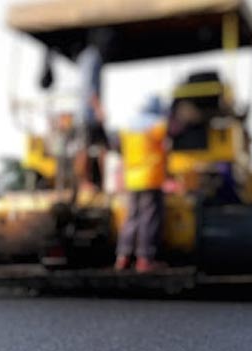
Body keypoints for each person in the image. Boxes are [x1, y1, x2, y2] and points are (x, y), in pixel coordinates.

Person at [115, 96, 168, 272]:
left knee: (131, 218)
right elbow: (172, 134)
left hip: (132, 178)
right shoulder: (157, 125)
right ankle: (145, 259)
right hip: (150, 178)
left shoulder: (127, 127)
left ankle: (123, 257)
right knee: (149, 218)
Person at [75, 29, 111, 190]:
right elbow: (90, 89)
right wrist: (98, 109)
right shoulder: (93, 57)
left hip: (87, 112)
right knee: (87, 148)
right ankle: (85, 182)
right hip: (88, 114)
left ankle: (100, 182)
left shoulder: (85, 57)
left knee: (97, 147)